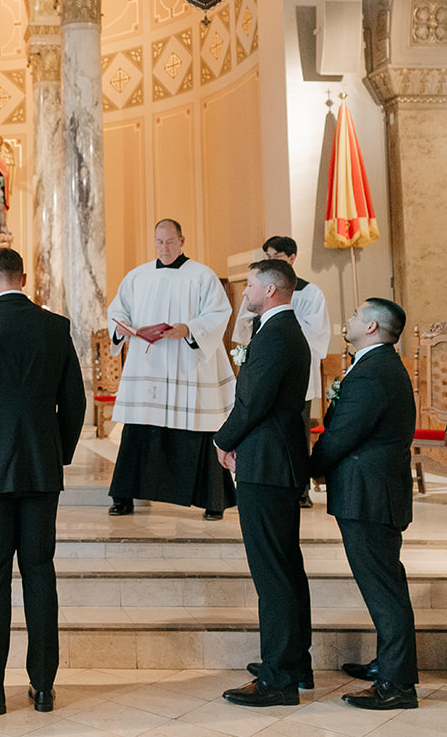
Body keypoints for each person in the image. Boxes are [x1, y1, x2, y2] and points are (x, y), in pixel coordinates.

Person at [0, 247, 86, 716]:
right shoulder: (56, 327)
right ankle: (43, 687)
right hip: (41, 470)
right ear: (24, 278)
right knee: (40, 572)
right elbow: (76, 404)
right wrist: (56, 455)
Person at [310, 298, 419, 710]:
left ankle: (397, 686)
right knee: (384, 585)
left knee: (384, 589)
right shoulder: (376, 365)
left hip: (370, 497)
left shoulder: (374, 372)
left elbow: (342, 433)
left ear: (372, 328)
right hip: (370, 493)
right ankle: (393, 667)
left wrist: (307, 467)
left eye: (356, 315)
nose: (350, 319)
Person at [214, 260, 312, 707]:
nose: (246, 290)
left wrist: (223, 440)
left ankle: (278, 679)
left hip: (267, 466)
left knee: (273, 572)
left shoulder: (276, 335)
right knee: (285, 566)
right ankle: (293, 661)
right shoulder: (281, 331)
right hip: (275, 462)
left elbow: (252, 400)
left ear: (271, 290)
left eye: (251, 283)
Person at [106, 219, 236, 519]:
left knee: (199, 431)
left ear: (182, 240)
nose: (164, 248)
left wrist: (189, 329)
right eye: (159, 242)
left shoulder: (202, 276)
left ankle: (212, 501)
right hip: (148, 363)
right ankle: (123, 498)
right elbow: (117, 310)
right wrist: (123, 328)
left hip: (188, 365)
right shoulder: (137, 277)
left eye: (170, 241)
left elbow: (218, 314)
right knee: (139, 430)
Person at [233, 234, 331, 506]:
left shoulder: (310, 293)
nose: (271, 261)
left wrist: (281, 326)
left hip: (295, 374)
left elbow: (317, 334)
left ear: (291, 258)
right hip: (263, 371)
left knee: (296, 429)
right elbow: (242, 326)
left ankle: (300, 489)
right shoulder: (258, 289)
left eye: (276, 257)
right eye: (267, 257)